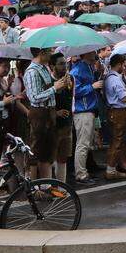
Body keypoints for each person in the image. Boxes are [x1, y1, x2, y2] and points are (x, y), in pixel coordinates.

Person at [24, 47, 68, 181]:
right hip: (40, 114)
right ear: (41, 53)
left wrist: (59, 86)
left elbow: (48, 90)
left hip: (49, 112)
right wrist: (55, 88)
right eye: (49, 52)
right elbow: (34, 97)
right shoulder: (32, 71)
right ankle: (34, 187)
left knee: (47, 152)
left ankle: (45, 186)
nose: (51, 54)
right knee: (36, 151)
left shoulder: (43, 68)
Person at [70, 50, 103, 186]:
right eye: (91, 52)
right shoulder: (77, 70)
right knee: (83, 144)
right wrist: (92, 86)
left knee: (86, 143)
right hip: (82, 111)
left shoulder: (89, 67)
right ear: (85, 53)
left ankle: (83, 171)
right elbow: (74, 91)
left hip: (89, 109)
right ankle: (81, 174)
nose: (94, 53)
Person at [103, 53, 126, 178]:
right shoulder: (114, 78)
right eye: (123, 64)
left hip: (116, 111)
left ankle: (112, 168)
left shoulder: (113, 77)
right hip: (118, 112)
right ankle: (110, 170)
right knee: (117, 142)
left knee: (117, 141)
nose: (125, 67)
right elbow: (124, 97)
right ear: (119, 64)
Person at [49, 53, 75, 184]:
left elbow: (72, 99)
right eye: (60, 64)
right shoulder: (49, 81)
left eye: (65, 63)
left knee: (63, 157)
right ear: (52, 66)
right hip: (52, 124)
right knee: (50, 157)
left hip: (67, 123)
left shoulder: (70, 78)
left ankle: (62, 186)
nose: (64, 66)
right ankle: (50, 185)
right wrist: (56, 113)